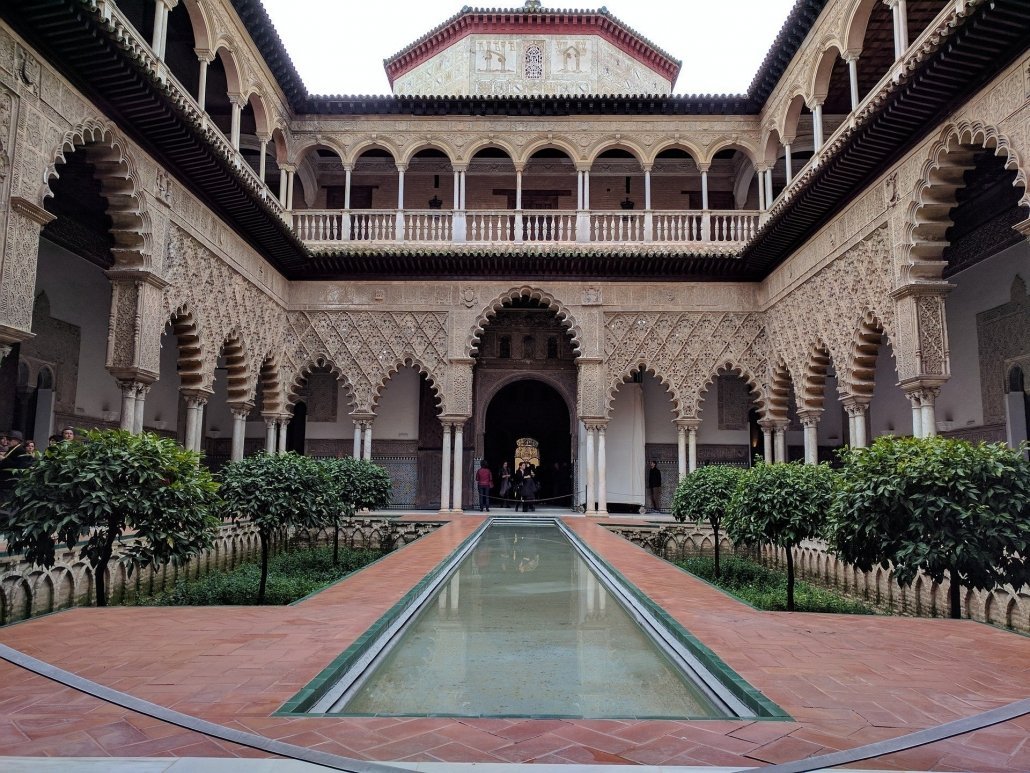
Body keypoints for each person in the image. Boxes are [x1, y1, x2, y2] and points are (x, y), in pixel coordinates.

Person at [0, 430, 33, 504]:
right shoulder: (13, 449)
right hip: (5, 482)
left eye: (10, 439)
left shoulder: (20, 450)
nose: (7, 441)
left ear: (17, 440)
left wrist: (4, 459)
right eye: (7, 439)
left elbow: (19, 466)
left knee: (5, 504)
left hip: (9, 483)